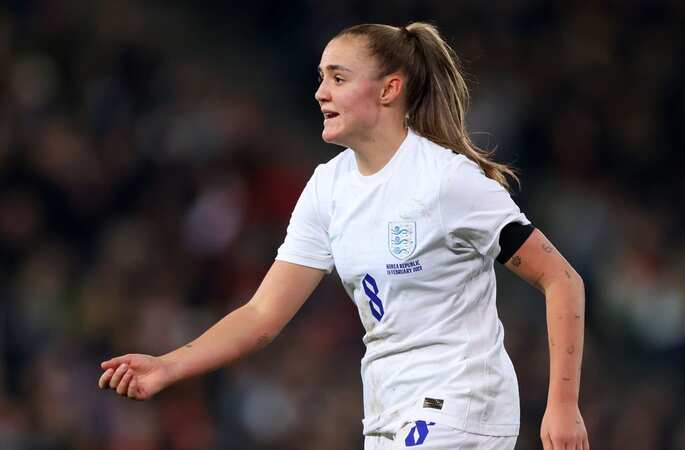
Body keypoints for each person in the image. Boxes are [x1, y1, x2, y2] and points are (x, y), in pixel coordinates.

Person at [98, 22, 589, 450]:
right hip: (386, 409)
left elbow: (562, 280)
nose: (320, 92)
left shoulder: (446, 181)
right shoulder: (328, 188)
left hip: (460, 400)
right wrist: (168, 366)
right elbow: (261, 315)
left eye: (338, 77)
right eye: (320, 78)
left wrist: (562, 405)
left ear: (388, 90)